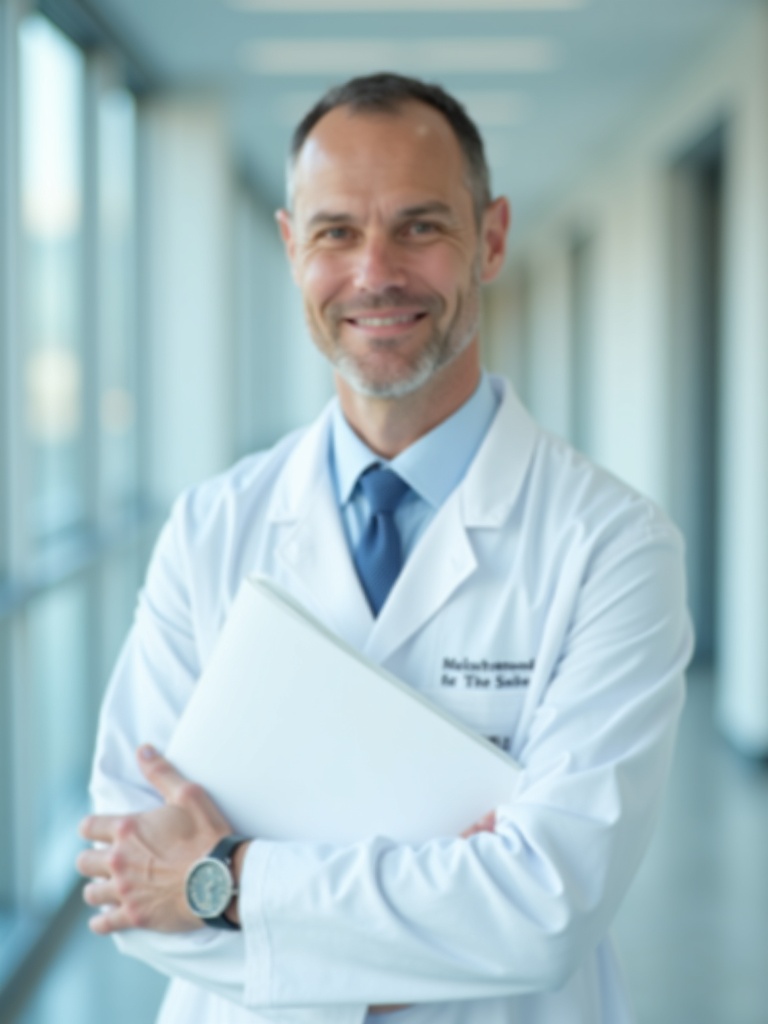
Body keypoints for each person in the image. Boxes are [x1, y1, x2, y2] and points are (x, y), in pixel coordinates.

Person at [76, 73, 693, 1024]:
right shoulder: (211, 527)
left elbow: (542, 910)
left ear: (490, 239)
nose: (374, 272)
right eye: (335, 232)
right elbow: (128, 874)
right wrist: (449, 898)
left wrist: (222, 881)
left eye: (420, 226)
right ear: (290, 248)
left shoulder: (612, 547)